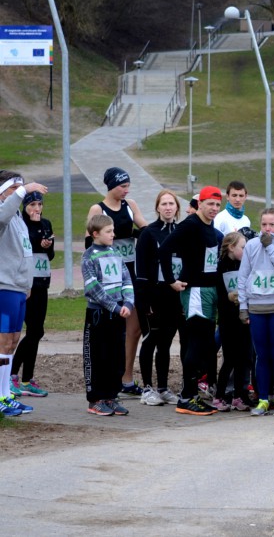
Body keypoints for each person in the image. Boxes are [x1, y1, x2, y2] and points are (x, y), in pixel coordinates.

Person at [160, 186, 224, 415]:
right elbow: (165, 249)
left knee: (206, 344)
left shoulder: (209, 226)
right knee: (195, 343)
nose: (214, 209)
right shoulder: (190, 224)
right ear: (200, 204)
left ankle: (192, 394)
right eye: (210, 204)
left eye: (218, 205)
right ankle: (186, 397)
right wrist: (171, 280)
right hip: (195, 291)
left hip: (209, 291)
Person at [86, 167, 149, 396]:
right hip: (107, 273)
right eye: (122, 186)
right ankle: (109, 381)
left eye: (127, 186)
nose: (126, 190)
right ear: (111, 186)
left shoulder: (130, 205)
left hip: (130, 269)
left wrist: (140, 233)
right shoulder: (98, 208)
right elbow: (89, 241)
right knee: (111, 329)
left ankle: (127, 378)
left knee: (134, 328)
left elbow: (146, 228)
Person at [239, 208, 274, 416]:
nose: (267, 228)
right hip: (256, 308)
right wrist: (243, 307)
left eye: (272, 224)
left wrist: (270, 247)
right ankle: (263, 399)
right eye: (264, 225)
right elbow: (243, 277)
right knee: (261, 356)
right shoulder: (251, 245)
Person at [0, 171, 46, 416]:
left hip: (19, 289)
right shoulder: (3, 212)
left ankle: (6, 394)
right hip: (3, 287)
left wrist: (27, 284)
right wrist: (23, 190)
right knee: (3, 342)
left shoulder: (17, 217)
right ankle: (0, 396)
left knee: (13, 342)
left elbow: (26, 253)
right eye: (15, 187)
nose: (22, 191)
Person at [82, 214, 135, 416]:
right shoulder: (88, 256)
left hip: (118, 313)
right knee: (98, 357)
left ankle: (111, 397)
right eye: (109, 231)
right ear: (96, 234)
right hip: (98, 314)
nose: (113, 234)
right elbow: (93, 287)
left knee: (116, 357)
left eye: (113, 230)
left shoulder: (115, 253)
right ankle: (96, 399)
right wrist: (114, 306)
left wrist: (128, 302)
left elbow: (126, 279)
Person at [135, 189, 184, 407]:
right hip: (152, 297)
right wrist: (144, 300)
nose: (167, 207)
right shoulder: (148, 233)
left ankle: (163, 388)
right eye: (163, 204)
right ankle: (147, 388)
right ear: (157, 208)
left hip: (173, 296)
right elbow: (141, 268)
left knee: (165, 343)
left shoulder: (182, 232)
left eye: (171, 204)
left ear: (176, 207)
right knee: (151, 340)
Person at [11, 191, 53, 398]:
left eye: (39, 204)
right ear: (25, 206)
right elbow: (25, 246)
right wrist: (40, 240)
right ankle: (12, 375)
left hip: (42, 282)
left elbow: (50, 255)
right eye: (32, 204)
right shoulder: (20, 224)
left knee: (37, 332)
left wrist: (48, 245)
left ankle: (27, 378)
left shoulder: (46, 223)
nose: (36, 208)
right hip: (26, 284)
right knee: (30, 330)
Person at [214, 232, 253, 412]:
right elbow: (220, 295)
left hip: (244, 318)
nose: (246, 250)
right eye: (243, 247)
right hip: (228, 320)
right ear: (231, 247)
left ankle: (239, 395)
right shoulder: (221, 266)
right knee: (229, 358)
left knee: (244, 358)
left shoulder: (246, 265)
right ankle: (219, 395)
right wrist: (229, 297)